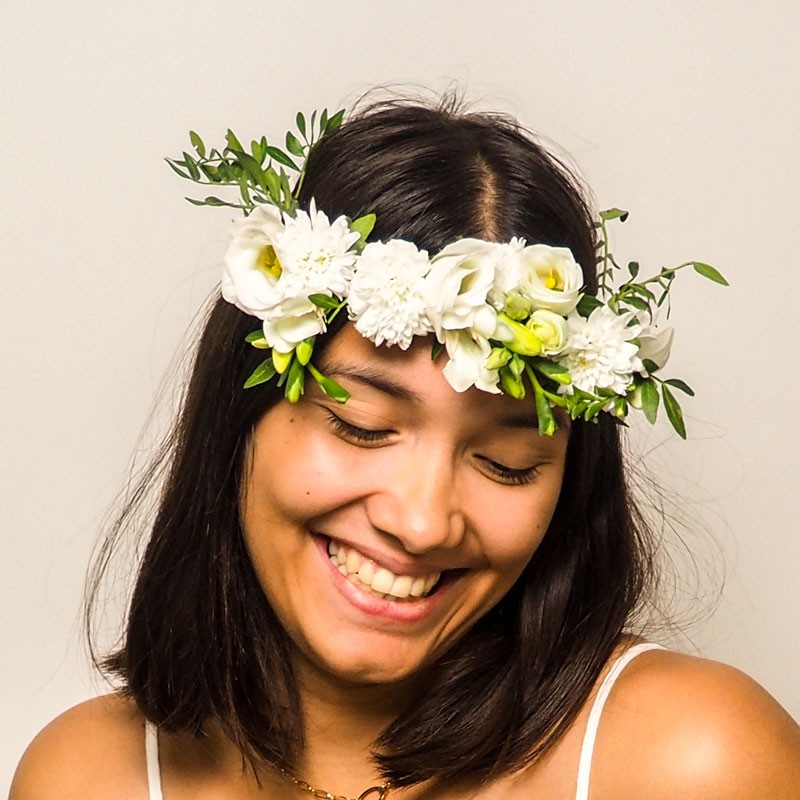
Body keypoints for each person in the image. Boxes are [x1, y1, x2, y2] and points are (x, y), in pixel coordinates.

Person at [11, 98, 800, 800]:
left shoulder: (697, 761)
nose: (422, 524)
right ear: (237, 418)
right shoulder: (86, 776)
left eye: (506, 465)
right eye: (361, 425)